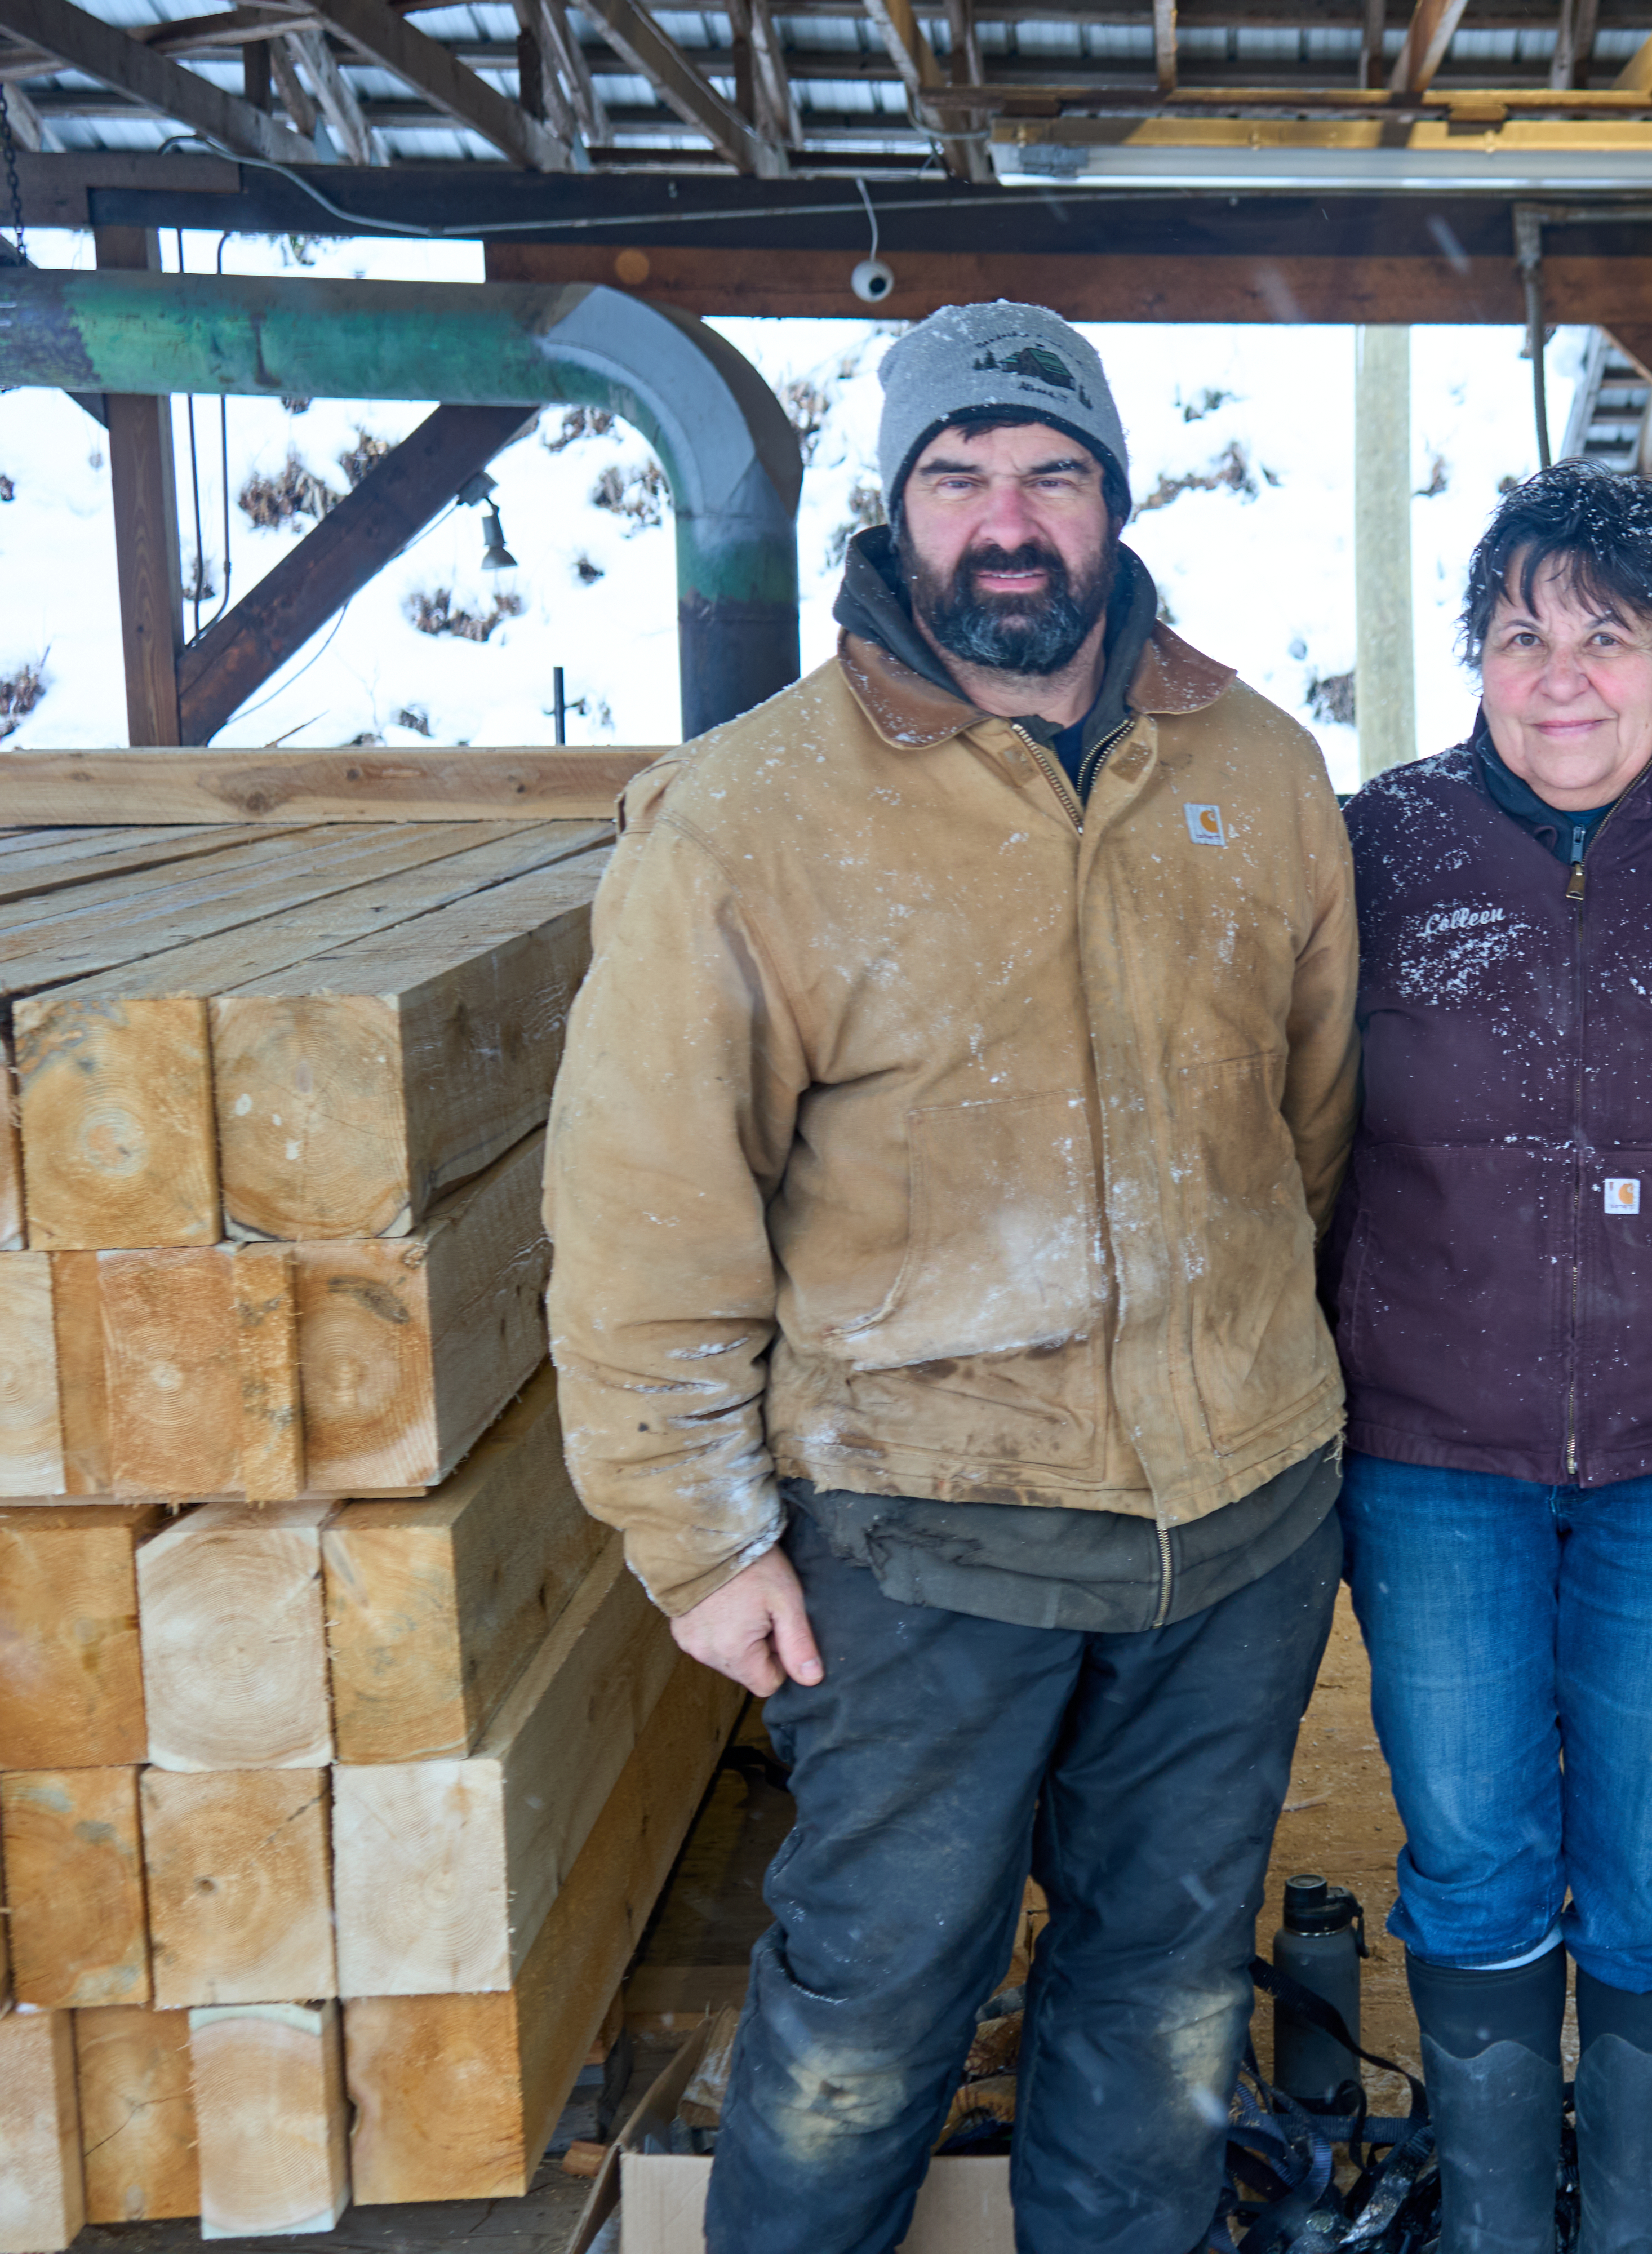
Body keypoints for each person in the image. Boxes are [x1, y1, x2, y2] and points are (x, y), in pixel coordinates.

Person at [543, 300, 1358, 2254]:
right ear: (896, 511)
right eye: (962, 476)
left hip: (1231, 1533)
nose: (1010, 520)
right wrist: (699, 1537)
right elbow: (650, 1210)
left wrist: (1257, 1388)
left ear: (1115, 506)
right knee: (869, 2013)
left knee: (1167, 2009)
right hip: (917, 1542)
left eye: (1053, 475)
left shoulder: (1252, 763)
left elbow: (1309, 1121)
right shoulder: (746, 820)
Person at [1324, 460, 1652, 2254]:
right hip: (1431, 1446)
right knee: (1472, 1844)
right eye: (1518, 636)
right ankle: (1494, 2224)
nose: (1559, 675)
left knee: (1646, 1850)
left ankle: (1626, 2221)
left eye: (1606, 637)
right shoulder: (1382, 844)